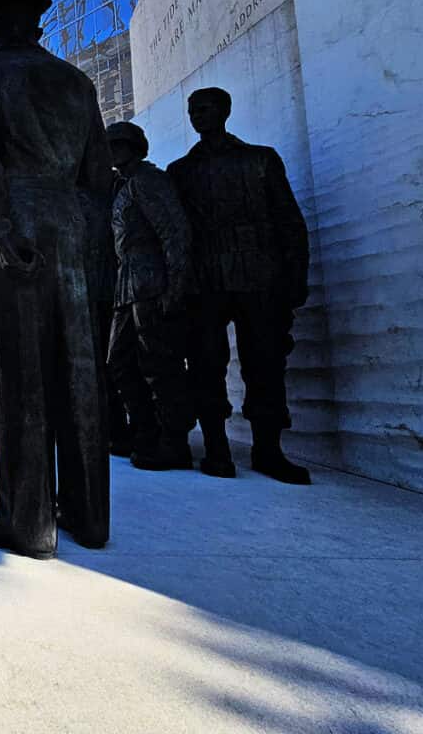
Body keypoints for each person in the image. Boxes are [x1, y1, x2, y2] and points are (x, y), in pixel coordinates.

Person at [0, 0, 114, 559]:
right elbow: (99, 175)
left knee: (21, 374)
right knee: (81, 372)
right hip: (74, 226)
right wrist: (91, 243)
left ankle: (26, 521)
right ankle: (90, 517)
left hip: (15, 217)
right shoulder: (76, 81)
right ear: (37, 28)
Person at [167, 87, 311, 484]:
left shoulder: (260, 160)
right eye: (192, 110)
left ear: (225, 111)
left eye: (205, 108)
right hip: (204, 282)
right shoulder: (180, 171)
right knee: (205, 366)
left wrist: (296, 276)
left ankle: (269, 450)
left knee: (265, 365)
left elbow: (290, 223)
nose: (197, 115)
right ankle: (217, 448)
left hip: (259, 277)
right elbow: (174, 235)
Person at [105, 121, 194, 470]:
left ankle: (173, 440)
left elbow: (174, 234)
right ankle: (144, 432)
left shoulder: (149, 181)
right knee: (120, 362)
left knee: (160, 363)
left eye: (117, 144)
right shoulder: (123, 187)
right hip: (127, 282)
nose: (111, 151)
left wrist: (176, 285)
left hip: (152, 279)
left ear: (134, 146)